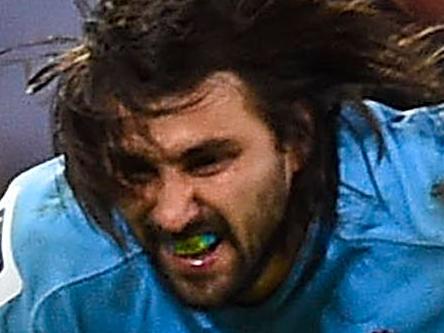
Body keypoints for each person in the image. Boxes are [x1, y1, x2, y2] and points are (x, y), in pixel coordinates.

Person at [1, 0, 443, 331]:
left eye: (206, 162)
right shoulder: (50, 252)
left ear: (294, 139)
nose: (173, 215)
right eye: (136, 171)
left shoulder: (427, 205)